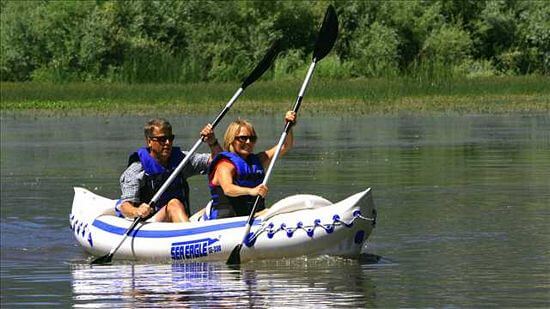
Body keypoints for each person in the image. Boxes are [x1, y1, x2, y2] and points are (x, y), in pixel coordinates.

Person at [117, 118, 222, 223]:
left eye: (170, 138)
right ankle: (190, 234)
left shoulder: (181, 160)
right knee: (174, 204)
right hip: (150, 223)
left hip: (180, 220)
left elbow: (219, 162)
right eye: (162, 139)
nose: (167, 143)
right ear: (149, 141)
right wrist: (137, 211)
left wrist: (212, 142)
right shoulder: (136, 170)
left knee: (216, 205)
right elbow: (125, 206)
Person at [206, 111, 297, 219]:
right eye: (243, 138)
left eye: (252, 139)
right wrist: (251, 191)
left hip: (255, 216)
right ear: (231, 140)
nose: (248, 142)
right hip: (228, 219)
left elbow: (285, 146)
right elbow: (228, 189)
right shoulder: (224, 164)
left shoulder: (258, 160)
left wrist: (288, 125)